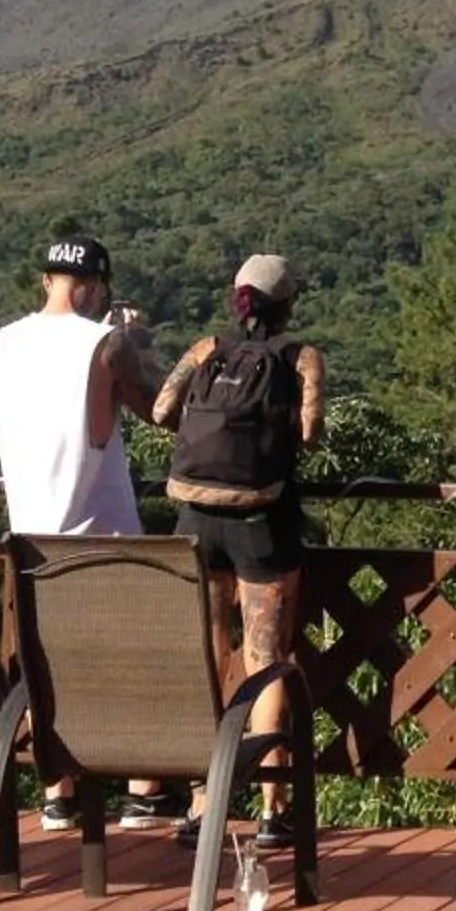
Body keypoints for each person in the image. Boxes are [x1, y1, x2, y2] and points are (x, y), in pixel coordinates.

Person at [0, 232, 168, 831]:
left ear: (46, 281)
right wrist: (136, 338)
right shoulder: (105, 343)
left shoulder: (4, 342)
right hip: (103, 532)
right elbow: (161, 409)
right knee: (133, 657)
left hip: (30, 536)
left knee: (47, 662)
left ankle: (56, 791)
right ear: (94, 288)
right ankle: (143, 789)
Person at [155, 253, 323, 851]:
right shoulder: (299, 357)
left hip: (195, 518)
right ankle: (273, 807)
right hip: (261, 521)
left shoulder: (206, 349)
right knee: (266, 656)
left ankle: (205, 801)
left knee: (210, 654)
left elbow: (160, 410)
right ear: (287, 305)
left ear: (238, 299)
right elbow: (309, 429)